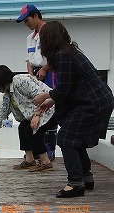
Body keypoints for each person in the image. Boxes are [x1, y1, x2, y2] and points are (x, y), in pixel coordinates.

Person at [33, 21, 114, 198]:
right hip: (99, 100)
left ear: (49, 39)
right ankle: (86, 178)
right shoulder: (68, 52)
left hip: (92, 102)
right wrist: (51, 101)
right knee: (75, 139)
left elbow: (64, 89)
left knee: (66, 138)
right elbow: (68, 88)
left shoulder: (63, 55)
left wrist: (45, 96)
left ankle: (75, 184)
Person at [0, 65, 57, 172]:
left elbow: (40, 96)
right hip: (37, 114)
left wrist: (37, 115)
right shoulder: (7, 94)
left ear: (3, 81)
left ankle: (46, 162)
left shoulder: (21, 81)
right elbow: (2, 114)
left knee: (31, 130)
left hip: (50, 109)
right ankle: (30, 160)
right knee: (22, 127)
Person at [16, 4, 58, 161]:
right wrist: (30, 75)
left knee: (50, 105)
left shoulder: (49, 32)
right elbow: (29, 59)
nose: (26, 24)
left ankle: (49, 147)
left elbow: (54, 55)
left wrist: (45, 69)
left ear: (35, 16)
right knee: (35, 105)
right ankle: (37, 149)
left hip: (49, 72)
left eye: (27, 20)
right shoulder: (30, 38)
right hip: (35, 73)